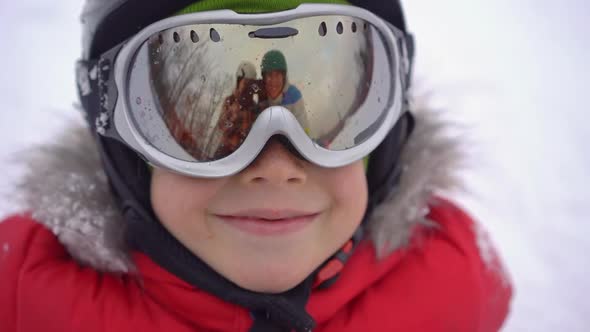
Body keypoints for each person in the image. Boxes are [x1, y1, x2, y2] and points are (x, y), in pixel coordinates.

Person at [0, 1, 512, 331]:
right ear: (126, 153)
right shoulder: (25, 293)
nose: (275, 169)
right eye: (190, 136)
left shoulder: (450, 281)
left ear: (386, 137)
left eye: (346, 117)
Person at [215, 61, 265, 159]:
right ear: (239, 81)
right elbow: (221, 125)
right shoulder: (230, 101)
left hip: (244, 154)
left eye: (250, 84)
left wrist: (263, 98)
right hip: (226, 150)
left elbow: (257, 133)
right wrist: (237, 107)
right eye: (245, 82)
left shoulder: (254, 107)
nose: (247, 87)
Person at [259, 49, 311, 134]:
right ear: (264, 78)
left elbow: (304, 129)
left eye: (277, 75)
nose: (273, 81)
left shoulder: (293, 96)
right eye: (269, 75)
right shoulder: (260, 96)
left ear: (283, 76)